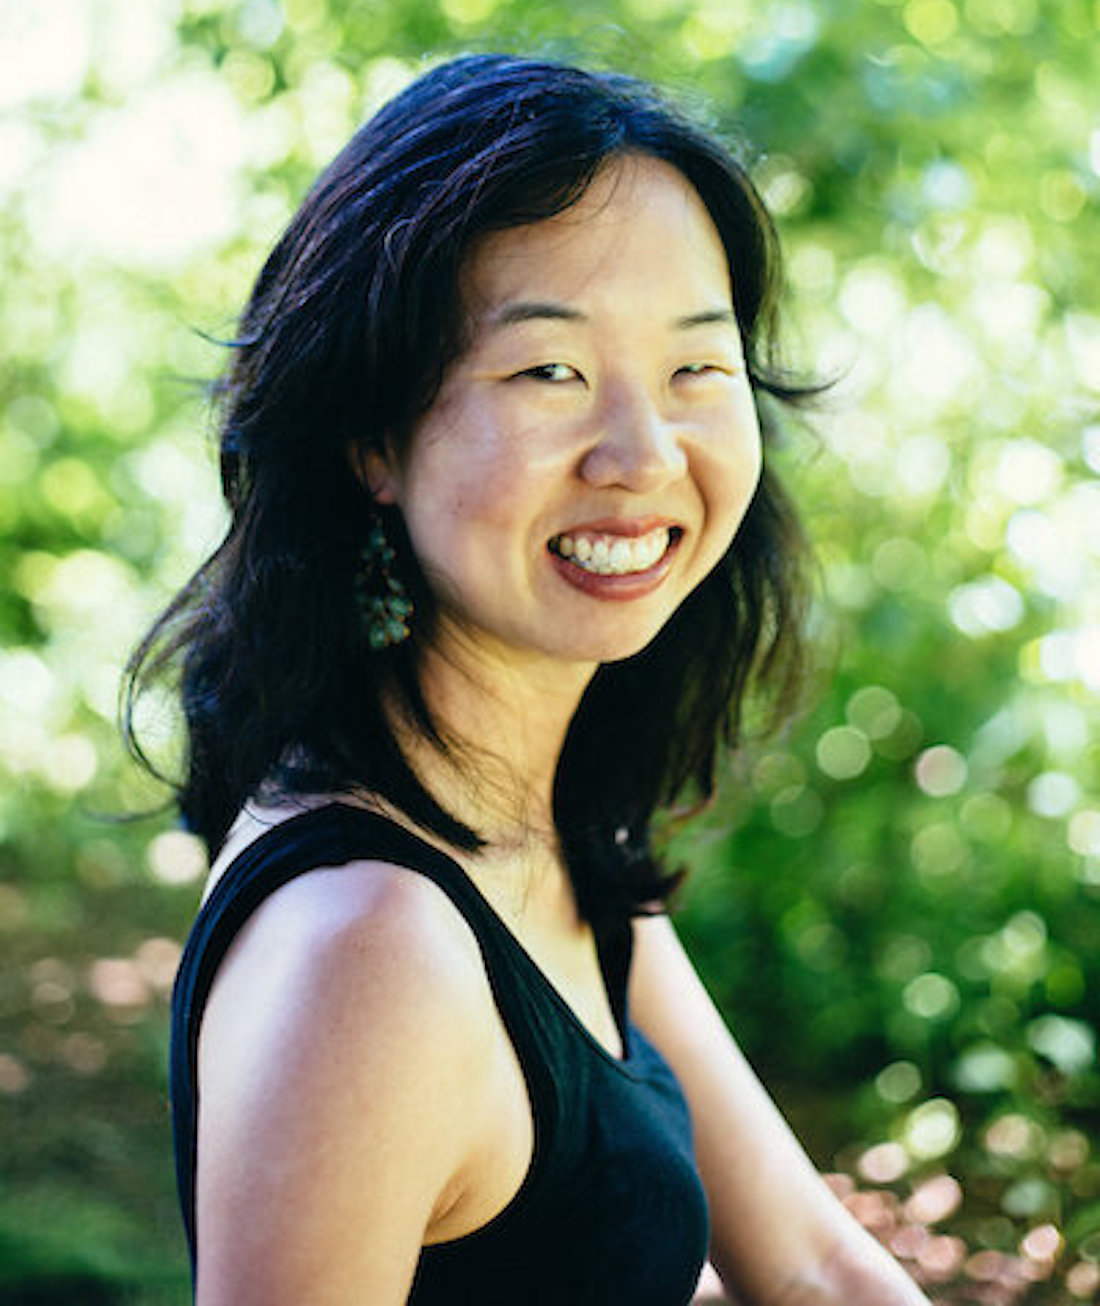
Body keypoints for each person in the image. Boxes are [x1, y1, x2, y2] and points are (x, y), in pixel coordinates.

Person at [126, 52, 932, 1305]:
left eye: (694, 368)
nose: (640, 452)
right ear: (372, 438)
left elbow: (814, 1266)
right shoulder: (368, 948)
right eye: (547, 370)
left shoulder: (540, 829)